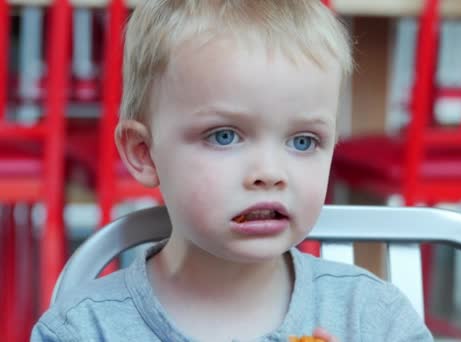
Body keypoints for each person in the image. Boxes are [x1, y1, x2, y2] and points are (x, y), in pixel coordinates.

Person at [31, 1, 432, 341]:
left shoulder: (372, 320)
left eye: (304, 141)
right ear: (144, 153)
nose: (270, 173)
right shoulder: (85, 329)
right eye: (224, 136)